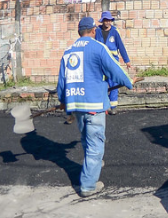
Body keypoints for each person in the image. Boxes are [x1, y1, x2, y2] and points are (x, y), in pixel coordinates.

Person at [57, 16, 133, 197]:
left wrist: (63, 102)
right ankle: (88, 186)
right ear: (93, 31)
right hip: (94, 105)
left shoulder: (68, 52)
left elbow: (62, 82)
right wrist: (129, 82)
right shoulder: (99, 48)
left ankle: (93, 164)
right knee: (96, 145)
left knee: (86, 139)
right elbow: (115, 70)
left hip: (77, 106)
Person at [94, 11, 131, 115]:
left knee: (114, 82)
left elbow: (121, 46)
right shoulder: (97, 31)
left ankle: (113, 106)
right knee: (101, 83)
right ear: (103, 21)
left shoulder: (115, 32)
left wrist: (127, 60)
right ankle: (102, 105)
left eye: (109, 20)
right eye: (106, 20)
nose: (108, 22)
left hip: (113, 61)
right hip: (100, 62)